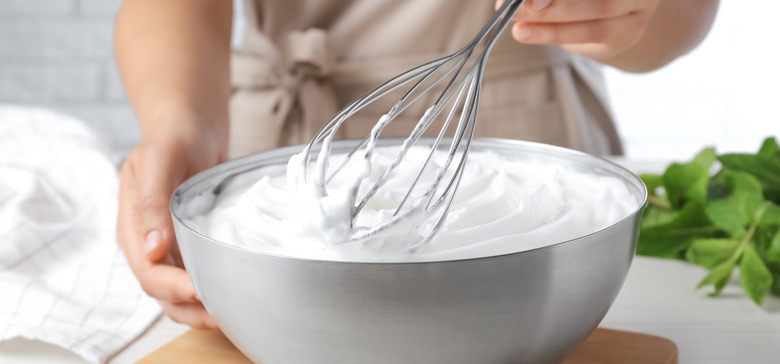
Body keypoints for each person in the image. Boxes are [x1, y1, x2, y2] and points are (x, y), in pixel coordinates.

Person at [114, 0, 719, 329]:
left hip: (520, 131)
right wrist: (182, 122)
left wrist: (629, 15)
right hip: (274, 153)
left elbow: (681, 15)